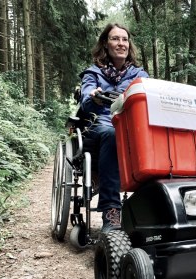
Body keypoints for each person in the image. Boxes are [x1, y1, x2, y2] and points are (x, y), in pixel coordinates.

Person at [79, 23, 149, 232]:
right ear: (105, 44)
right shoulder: (93, 73)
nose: (121, 43)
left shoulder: (139, 74)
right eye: (115, 39)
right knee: (112, 132)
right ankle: (111, 211)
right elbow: (85, 100)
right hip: (99, 125)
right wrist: (93, 97)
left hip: (131, 126)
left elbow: (148, 96)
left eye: (124, 39)